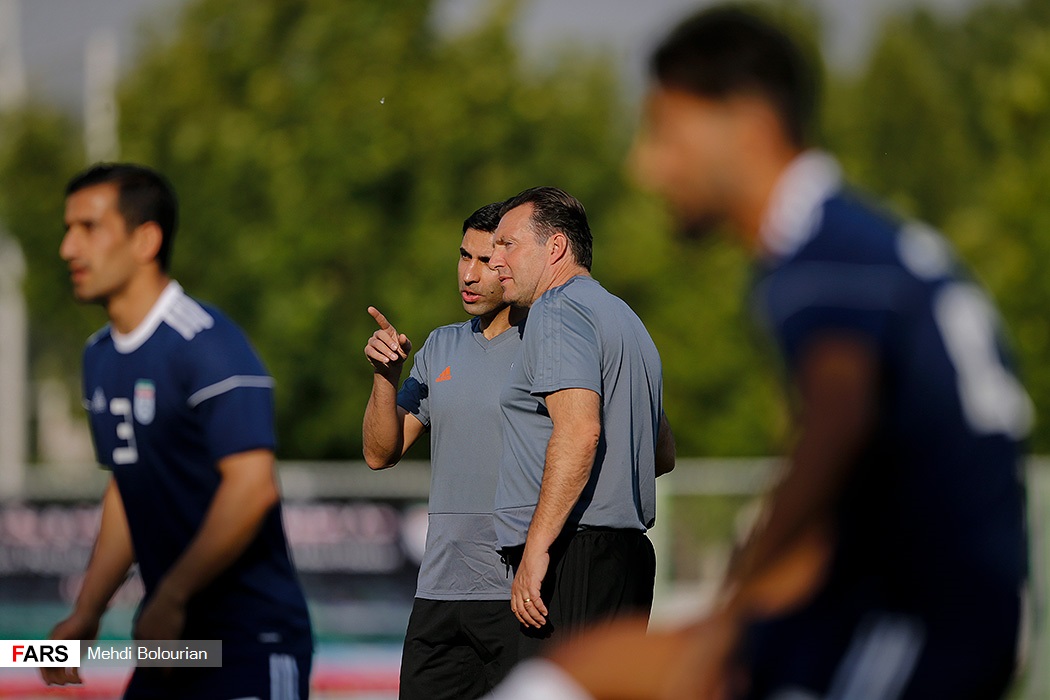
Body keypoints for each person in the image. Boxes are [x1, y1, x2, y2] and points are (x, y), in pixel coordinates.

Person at [490, 6, 1032, 700]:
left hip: (924, 618)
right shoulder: (853, 241)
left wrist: (735, 606)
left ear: (746, 125)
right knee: (575, 673)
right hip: (917, 599)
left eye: (664, 131)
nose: (645, 165)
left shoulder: (818, 257)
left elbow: (840, 422)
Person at [43, 163, 313, 699]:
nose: (68, 248)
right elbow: (128, 487)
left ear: (146, 240)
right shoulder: (99, 356)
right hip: (171, 641)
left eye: (88, 228)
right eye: (67, 229)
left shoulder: (206, 344)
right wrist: (88, 611)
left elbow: (252, 487)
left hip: (250, 643)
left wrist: (172, 594)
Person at [489, 186, 676, 659]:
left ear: (555, 247)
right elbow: (661, 453)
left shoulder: (557, 310)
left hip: (572, 554)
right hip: (627, 558)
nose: (495, 260)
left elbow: (579, 431)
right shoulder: (625, 318)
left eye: (508, 244)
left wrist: (537, 548)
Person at [362, 202, 527, 699]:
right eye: (463, 256)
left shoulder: (549, 344)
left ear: (512, 263)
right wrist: (386, 377)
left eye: (485, 261)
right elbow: (379, 453)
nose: (469, 275)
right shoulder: (440, 347)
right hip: (438, 590)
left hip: (517, 595)